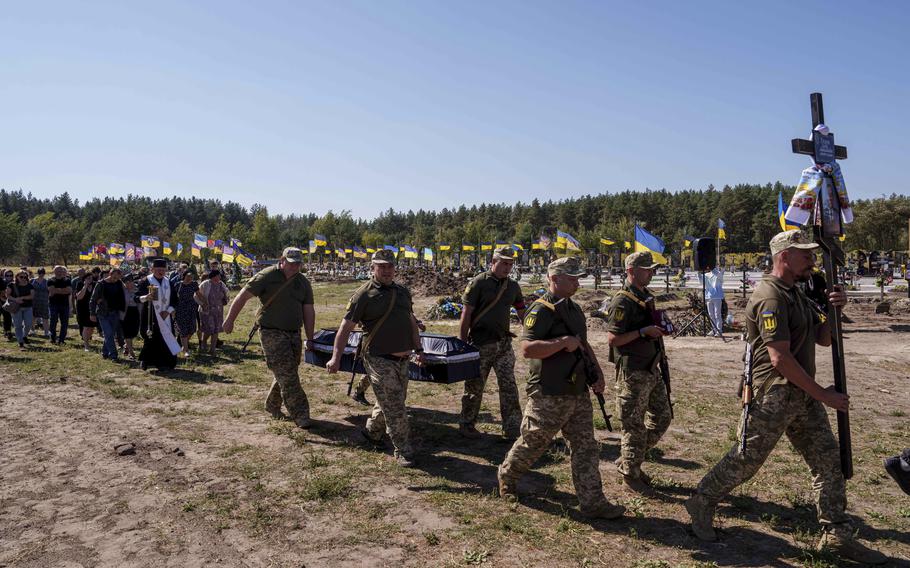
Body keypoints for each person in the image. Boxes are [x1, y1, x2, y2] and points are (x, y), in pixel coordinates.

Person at [686, 229, 887, 565]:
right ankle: (702, 501)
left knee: (828, 462)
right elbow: (780, 358)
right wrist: (823, 394)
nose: (811, 259)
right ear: (784, 257)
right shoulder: (771, 297)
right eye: (805, 254)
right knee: (745, 459)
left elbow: (823, 340)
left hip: (802, 393)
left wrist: (836, 310)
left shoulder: (797, 293)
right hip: (773, 395)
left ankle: (836, 534)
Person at [498, 257, 625, 519]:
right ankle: (507, 476)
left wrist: (597, 373)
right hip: (549, 392)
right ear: (555, 279)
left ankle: (592, 501)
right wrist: (561, 342)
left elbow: (583, 344)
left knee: (586, 446)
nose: (577, 282)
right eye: (572, 278)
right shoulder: (540, 310)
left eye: (578, 277)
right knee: (534, 442)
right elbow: (527, 349)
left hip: (577, 389)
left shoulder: (575, 309)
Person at [326, 249, 423, 467]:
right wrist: (335, 357)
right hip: (378, 358)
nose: (387, 270)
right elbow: (345, 328)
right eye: (381, 266)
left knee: (390, 400)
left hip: (403, 359)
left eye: (390, 266)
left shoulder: (403, 292)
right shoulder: (364, 294)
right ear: (373, 268)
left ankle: (372, 433)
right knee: (396, 406)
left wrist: (419, 349)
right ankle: (403, 450)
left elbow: (410, 321)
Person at [223, 247, 315, 428]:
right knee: (288, 375)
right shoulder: (267, 276)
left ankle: (272, 404)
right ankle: (301, 414)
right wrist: (230, 320)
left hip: (294, 333)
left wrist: (310, 338)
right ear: (282, 260)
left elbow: (308, 311)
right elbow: (243, 296)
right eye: (291, 263)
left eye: (298, 263)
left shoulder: (303, 283)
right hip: (271, 332)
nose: (294, 266)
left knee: (288, 371)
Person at [606, 251, 672, 493]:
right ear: (632, 271)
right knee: (633, 426)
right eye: (647, 269)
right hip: (632, 371)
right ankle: (630, 474)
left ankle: (628, 460)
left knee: (663, 418)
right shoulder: (622, 301)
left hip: (651, 367)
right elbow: (613, 339)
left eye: (652, 269)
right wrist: (643, 332)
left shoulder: (644, 296)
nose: (652, 272)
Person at [457, 246, 526, 440]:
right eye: (504, 263)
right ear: (493, 262)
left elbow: (522, 312)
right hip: (480, 344)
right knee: (474, 386)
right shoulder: (479, 282)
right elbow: (466, 313)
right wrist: (462, 345)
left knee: (509, 386)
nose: (507, 267)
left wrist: (532, 332)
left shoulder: (513, 286)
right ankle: (466, 424)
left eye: (510, 264)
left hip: (503, 344)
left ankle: (512, 428)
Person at [137, 259, 181, 370]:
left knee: (166, 338)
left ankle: (166, 363)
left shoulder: (168, 282)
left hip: (166, 316)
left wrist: (168, 311)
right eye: (158, 270)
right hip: (150, 315)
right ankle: (146, 361)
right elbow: (136, 297)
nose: (161, 272)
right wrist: (146, 297)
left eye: (163, 270)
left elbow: (175, 300)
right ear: (152, 269)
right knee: (151, 338)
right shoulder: (145, 281)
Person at [90, 267, 125, 361]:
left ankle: (104, 352)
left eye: (118, 278)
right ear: (110, 274)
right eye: (114, 277)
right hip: (103, 313)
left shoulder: (118, 283)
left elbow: (122, 296)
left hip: (115, 312)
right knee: (108, 333)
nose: (116, 279)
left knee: (110, 334)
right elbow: (93, 300)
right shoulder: (101, 284)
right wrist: (92, 313)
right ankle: (114, 355)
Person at [196, 270, 229, 355]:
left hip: (218, 311)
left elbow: (227, 293)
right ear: (213, 276)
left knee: (216, 329)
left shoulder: (221, 284)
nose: (219, 277)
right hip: (206, 310)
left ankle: (212, 349)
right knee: (208, 329)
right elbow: (196, 295)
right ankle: (203, 342)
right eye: (218, 276)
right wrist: (202, 304)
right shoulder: (205, 284)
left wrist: (226, 300)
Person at [7, 270, 35, 349]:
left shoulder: (30, 285)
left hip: (28, 307)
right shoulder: (11, 285)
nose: (23, 278)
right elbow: (7, 295)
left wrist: (22, 297)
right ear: (17, 277)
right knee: (18, 325)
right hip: (16, 308)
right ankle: (20, 342)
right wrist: (16, 299)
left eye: (25, 276)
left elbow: (32, 296)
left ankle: (24, 336)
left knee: (29, 324)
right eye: (21, 277)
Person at [174, 270, 199, 357]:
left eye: (191, 277)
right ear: (184, 276)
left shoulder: (194, 284)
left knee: (192, 329)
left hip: (191, 308)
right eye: (188, 276)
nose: (190, 278)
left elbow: (198, 294)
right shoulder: (178, 285)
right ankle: (185, 349)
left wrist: (205, 303)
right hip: (180, 309)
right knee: (183, 329)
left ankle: (184, 344)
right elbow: (173, 296)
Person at [75, 269, 99, 351]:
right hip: (82, 309)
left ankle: (87, 341)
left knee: (91, 327)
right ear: (84, 279)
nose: (90, 279)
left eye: (91, 278)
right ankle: (86, 344)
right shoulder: (80, 284)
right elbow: (78, 297)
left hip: (92, 309)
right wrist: (85, 286)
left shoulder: (96, 285)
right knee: (86, 327)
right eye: (88, 278)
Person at [47, 266, 72, 345]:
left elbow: (69, 291)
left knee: (64, 323)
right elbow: (51, 290)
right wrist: (63, 290)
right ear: (54, 271)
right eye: (57, 271)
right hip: (53, 304)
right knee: (53, 322)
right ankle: (53, 337)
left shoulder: (67, 280)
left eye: (61, 270)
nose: (59, 272)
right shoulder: (50, 280)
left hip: (65, 304)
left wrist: (57, 290)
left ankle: (61, 339)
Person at [698, 266, 725, 337]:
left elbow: (719, 276)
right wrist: (698, 272)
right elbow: (701, 282)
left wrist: (714, 267)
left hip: (717, 296)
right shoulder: (706, 275)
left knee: (717, 314)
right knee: (711, 315)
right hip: (709, 296)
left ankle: (719, 330)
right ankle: (714, 330)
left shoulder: (718, 274)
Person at [120, 275, 140, 359]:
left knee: (134, 332)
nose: (128, 283)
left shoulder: (137, 289)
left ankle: (126, 346)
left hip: (135, 312)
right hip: (125, 313)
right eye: (126, 282)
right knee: (127, 333)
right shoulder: (122, 290)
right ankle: (131, 353)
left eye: (130, 281)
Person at [31, 268, 50, 338]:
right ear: (37, 273)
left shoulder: (47, 281)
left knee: (45, 318)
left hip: (44, 301)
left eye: (42, 273)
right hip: (34, 301)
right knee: (33, 317)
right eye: (40, 273)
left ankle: (46, 332)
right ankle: (32, 330)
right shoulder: (32, 281)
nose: (41, 274)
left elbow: (49, 291)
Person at [1, 269, 14, 340]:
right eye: (7, 275)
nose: (9, 277)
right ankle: (7, 331)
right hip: (3, 302)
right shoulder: (2, 282)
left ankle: (7, 331)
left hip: (13, 302)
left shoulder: (14, 283)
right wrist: (5, 301)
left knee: (9, 317)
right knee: (6, 317)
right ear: (4, 275)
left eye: (11, 275)